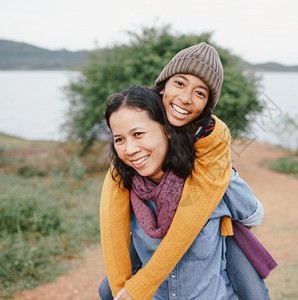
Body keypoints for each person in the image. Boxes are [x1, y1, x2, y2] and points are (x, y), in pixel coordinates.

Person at [99, 43, 275, 300]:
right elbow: (112, 220)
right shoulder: (136, 141)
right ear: (163, 86)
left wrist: (224, 179)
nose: (184, 98)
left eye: (200, 93)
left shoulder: (211, 147)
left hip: (206, 277)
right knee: (107, 290)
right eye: (179, 83)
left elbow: (252, 214)